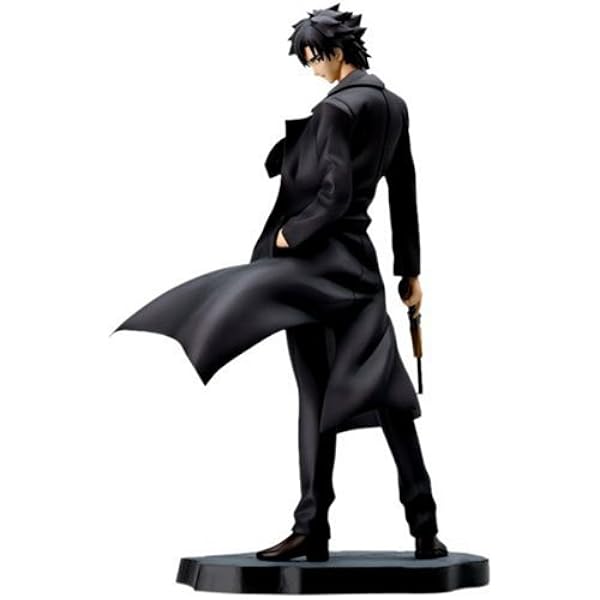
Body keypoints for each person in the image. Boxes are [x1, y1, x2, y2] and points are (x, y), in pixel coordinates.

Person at [114, 3, 448, 561]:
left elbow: (335, 195)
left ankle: (311, 526)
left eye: (312, 58)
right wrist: (409, 270)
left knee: (316, 394)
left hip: (315, 265)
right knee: (387, 393)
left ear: (334, 52)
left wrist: (292, 234)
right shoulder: (394, 106)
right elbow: (404, 190)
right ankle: (425, 529)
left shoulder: (337, 109)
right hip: (360, 268)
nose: (311, 69)